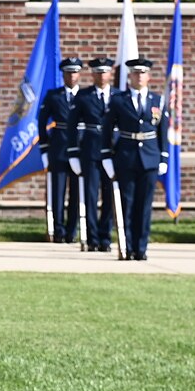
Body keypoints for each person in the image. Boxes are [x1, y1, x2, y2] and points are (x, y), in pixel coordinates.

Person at [104, 55, 165, 261]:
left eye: (143, 73)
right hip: (126, 156)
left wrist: (163, 157)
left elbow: (162, 131)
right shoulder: (118, 100)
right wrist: (107, 156)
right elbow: (107, 130)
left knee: (144, 206)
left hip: (149, 157)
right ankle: (128, 246)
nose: (139, 77)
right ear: (130, 76)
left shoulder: (157, 100)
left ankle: (141, 248)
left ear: (148, 76)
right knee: (127, 204)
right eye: (136, 73)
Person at [37, 57, 83, 243]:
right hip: (58, 147)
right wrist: (45, 148)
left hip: (79, 148)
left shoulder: (85, 96)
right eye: (68, 72)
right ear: (63, 74)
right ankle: (58, 230)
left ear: (79, 74)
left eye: (75, 72)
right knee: (57, 191)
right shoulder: (53, 95)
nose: (71, 76)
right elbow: (41, 122)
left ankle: (72, 230)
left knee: (77, 192)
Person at [72, 56, 116, 252]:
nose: (101, 76)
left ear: (110, 73)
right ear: (92, 74)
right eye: (98, 72)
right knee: (90, 195)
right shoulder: (83, 96)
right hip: (90, 150)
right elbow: (71, 126)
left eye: (105, 72)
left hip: (113, 152)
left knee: (110, 196)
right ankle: (92, 237)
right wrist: (73, 152)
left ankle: (105, 236)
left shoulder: (119, 96)